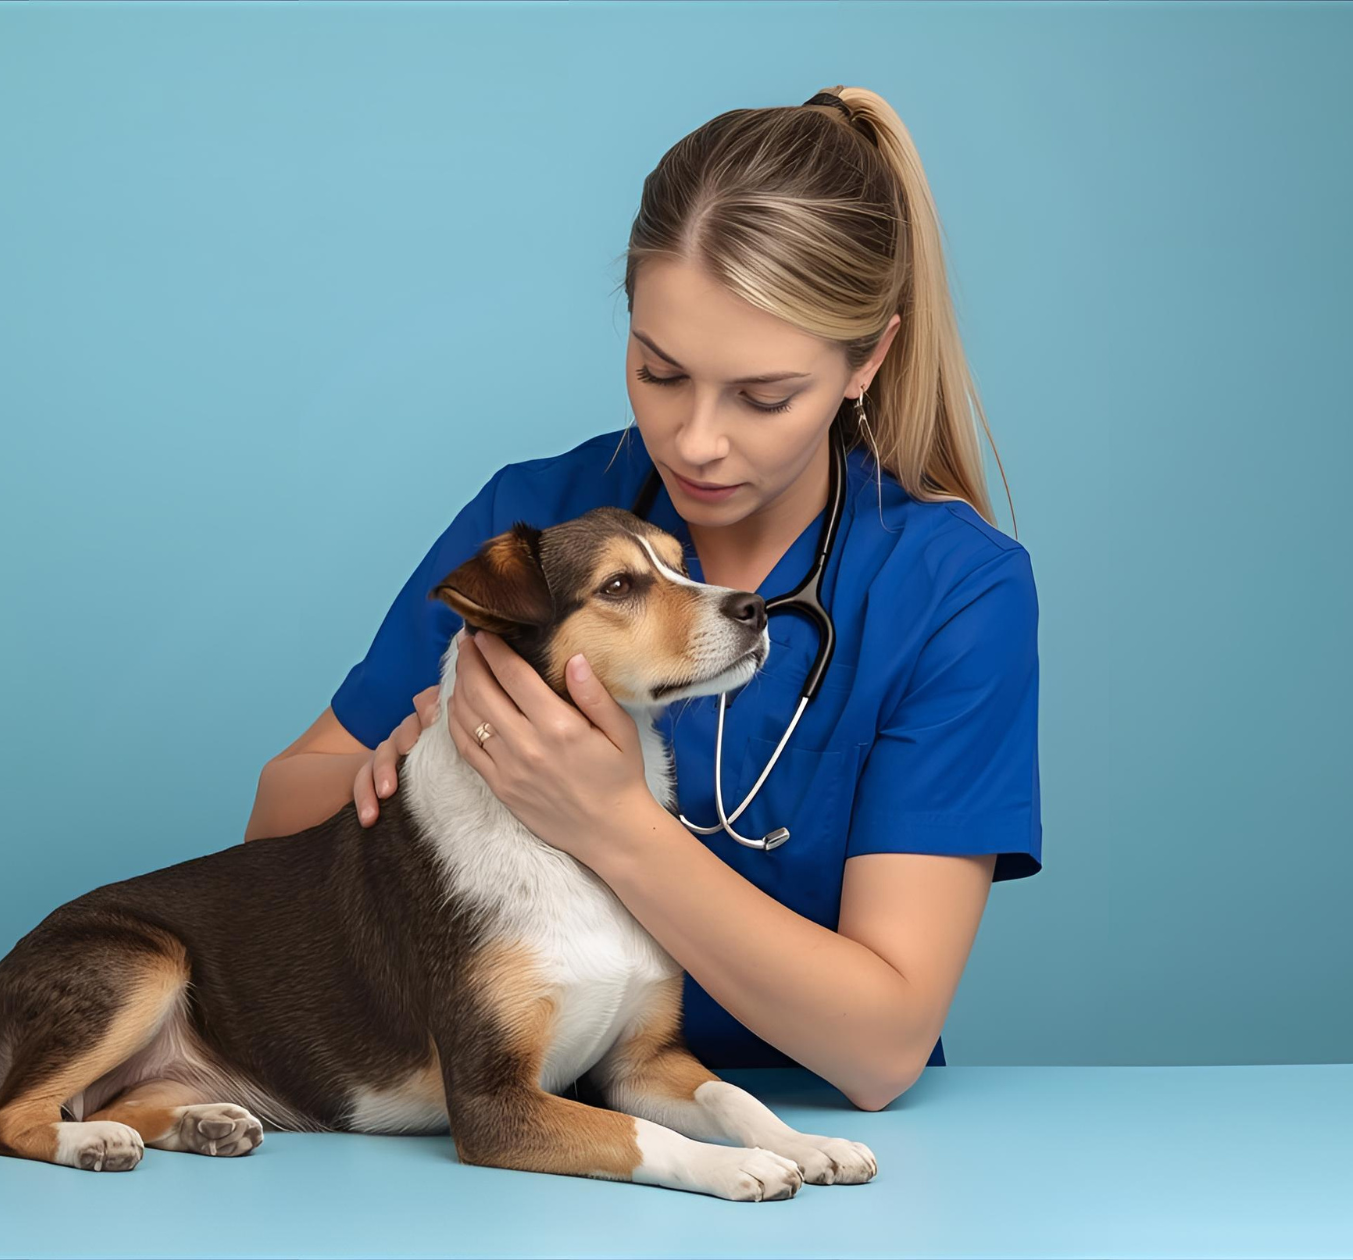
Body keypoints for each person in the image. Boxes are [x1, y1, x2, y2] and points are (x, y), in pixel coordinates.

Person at [242, 87, 1039, 1114]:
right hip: (511, 1123)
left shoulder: (950, 589)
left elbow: (880, 1048)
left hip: (791, 1133)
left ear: (866, 361)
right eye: (658, 371)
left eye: (761, 397)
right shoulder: (537, 521)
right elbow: (273, 827)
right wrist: (421, 769)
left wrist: (610, 820)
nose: (696, 439)